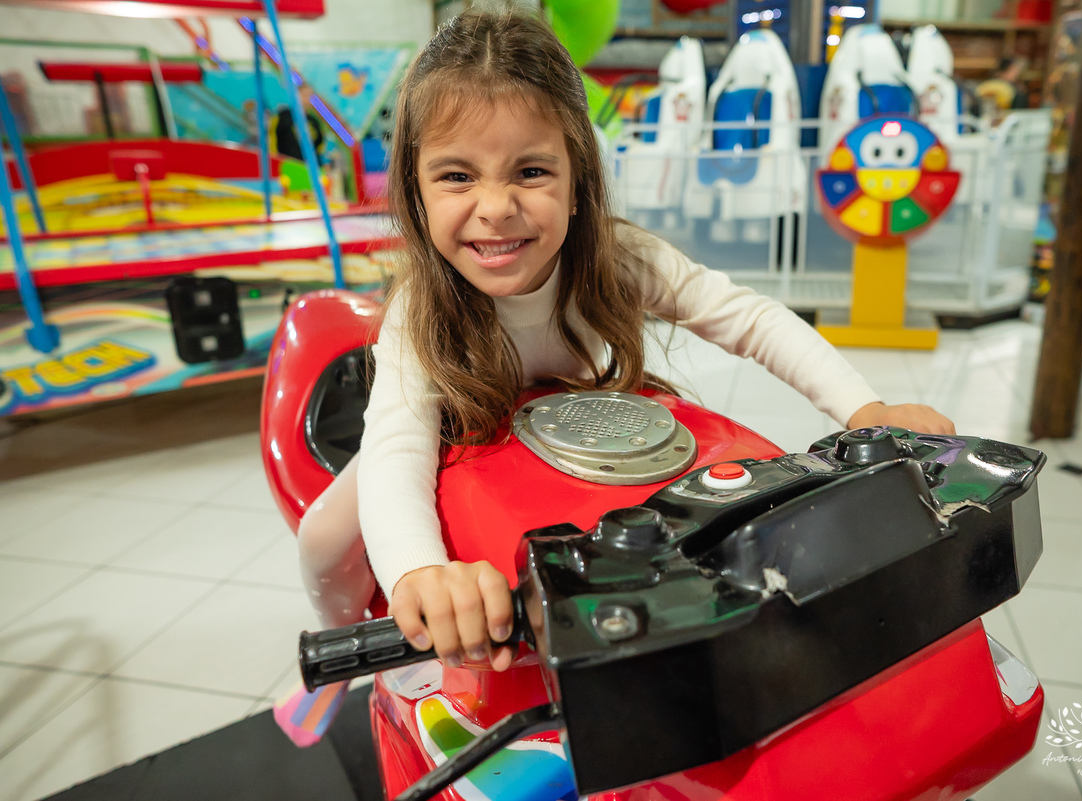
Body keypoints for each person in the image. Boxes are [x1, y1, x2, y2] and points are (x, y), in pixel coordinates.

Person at [273, 9, 955, 747]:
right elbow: (398, 444)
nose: (496, 208)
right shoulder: (420, 308)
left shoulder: (618, 257)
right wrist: (417, 574)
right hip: (453, 423)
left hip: (581, 424)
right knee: (322, 534)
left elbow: (750, 319)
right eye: (457, 176)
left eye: (531, 171)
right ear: (414, 188)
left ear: (577, 179)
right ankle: (351, 662)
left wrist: (866, 405)